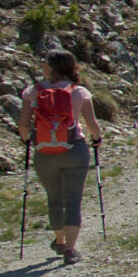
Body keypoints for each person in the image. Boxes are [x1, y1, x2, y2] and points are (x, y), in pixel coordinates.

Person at [28, 49, 104, 265]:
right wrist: (97, 139)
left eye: (44, 62)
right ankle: (70, 250)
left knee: (54, 197)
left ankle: (59, 240)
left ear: (52, 67)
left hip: (44, 152)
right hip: (74, 149)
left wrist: (28, 139)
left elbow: (24, 126)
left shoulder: (33, 92)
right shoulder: (79, 92)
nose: (42, 65)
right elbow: (92, 125)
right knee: (73, 200)